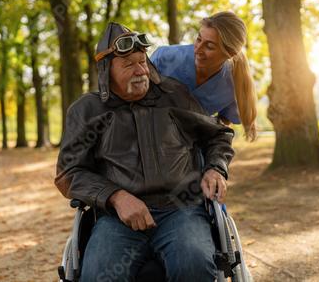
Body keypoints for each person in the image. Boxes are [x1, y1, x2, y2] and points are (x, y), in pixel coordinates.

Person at [54, 22, 235, 282]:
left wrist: (216, 168)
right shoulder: (87, 111)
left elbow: (218, 134)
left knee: (193, 265)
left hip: (181, 209)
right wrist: (116, 197)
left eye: (142, 61)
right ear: (107, 71)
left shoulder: (173, 94)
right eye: (128, 65)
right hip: (117, 220)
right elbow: (68, 173)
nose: (141, 71)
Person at [151, 11, 258, 141]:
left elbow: (223, 122)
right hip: (149, 136)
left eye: (209, 46)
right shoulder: (164, 57)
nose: (198, 49)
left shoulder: (234, 82)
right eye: (199, 39)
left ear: (230, 53)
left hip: (190, 148)